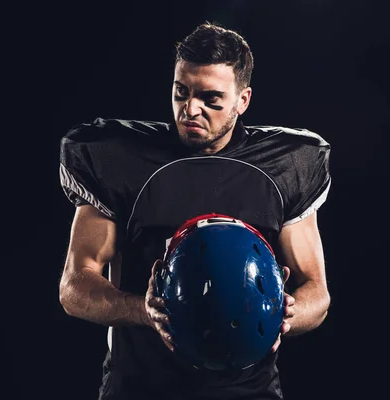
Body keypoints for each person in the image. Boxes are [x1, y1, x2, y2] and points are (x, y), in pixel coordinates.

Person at [58, 21, 331, 400]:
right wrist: (145, 310)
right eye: (181, 92)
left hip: (248, 391)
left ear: (243, 100)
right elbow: (74, 287)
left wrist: (287, 315)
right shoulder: (121, 159)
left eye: (211, 99)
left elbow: (317, 293)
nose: (190, 109)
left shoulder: (284, 166)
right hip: (142, 388)